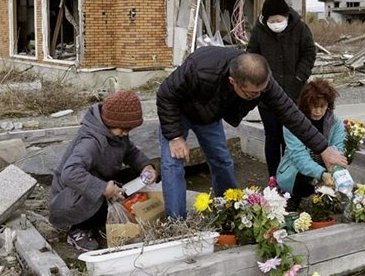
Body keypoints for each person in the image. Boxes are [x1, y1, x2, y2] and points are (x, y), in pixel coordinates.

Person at [156, 46, 348, 218]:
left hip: (209, 115)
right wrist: (174, 136)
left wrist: (323, 149)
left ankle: (230, 209)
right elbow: (165, 94)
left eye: (261, 92)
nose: (257, 97)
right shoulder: (200, 69)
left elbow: (291, 114)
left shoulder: (262, 83)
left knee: (222, 161)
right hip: (177, 112)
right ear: (233, 82)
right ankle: (177, 223)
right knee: (172, 163)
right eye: (251, 94)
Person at [49, 90, 157, 252]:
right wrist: (103, 188)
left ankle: (110, 216)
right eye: (123, 129)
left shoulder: (117, 134)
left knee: (136, 176)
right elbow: (70, 173)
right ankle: (79, 229)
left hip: (99, 179)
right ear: (109, 121)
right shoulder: (91, 142)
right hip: (69, 197)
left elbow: (131, 152)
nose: (126, 133)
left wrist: (146, 167)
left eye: (129, 129)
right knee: (95, 192)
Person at [247, 0, 317, 180]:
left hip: (294, 93)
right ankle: (273, 177)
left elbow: (309, 53)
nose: (276, 24)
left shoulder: (300, 28)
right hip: (267, 96)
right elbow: (251, 57)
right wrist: (260, 82)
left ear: (286, 16)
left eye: (279, 20)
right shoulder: (259, 31)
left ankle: (292, 177)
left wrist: (299, 78)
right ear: (265, 20)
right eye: (272, 21)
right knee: (272, 138)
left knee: (292, 139)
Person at [276, 79, 346, 203]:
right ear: (306, 104)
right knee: (304, 180)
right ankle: (293, 197)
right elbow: (299, 157)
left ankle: (325, 201)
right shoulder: (293, 123)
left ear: (328, 105)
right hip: (297, 170)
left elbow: (339, 151)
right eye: (314, 106)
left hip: (326, 166)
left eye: (322, 106)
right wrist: (322, 174)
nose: (318, 111)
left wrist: (334, 170)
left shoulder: (336, 123)